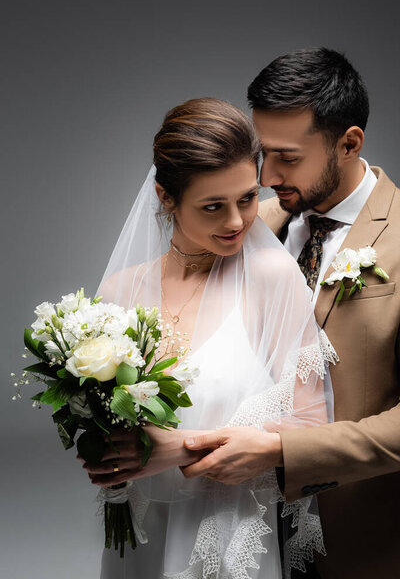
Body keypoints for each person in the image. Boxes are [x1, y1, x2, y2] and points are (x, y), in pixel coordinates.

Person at [82, 97, 337, 578]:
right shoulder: (121, 289)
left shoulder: (270, 277)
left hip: (230, 533)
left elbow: (313, 425)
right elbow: (98, 421)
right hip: (142, 536)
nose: (238, 222)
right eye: (213, 206)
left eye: (246, 198)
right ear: (165, 197)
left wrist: (181, 448)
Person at [182, 50, 400, 579]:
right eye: (263, 153)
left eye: (287, 157)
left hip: (358, 538)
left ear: (349, 143)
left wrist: (281, 451)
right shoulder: (253, 223)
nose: (266, 176)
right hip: (242, 530)